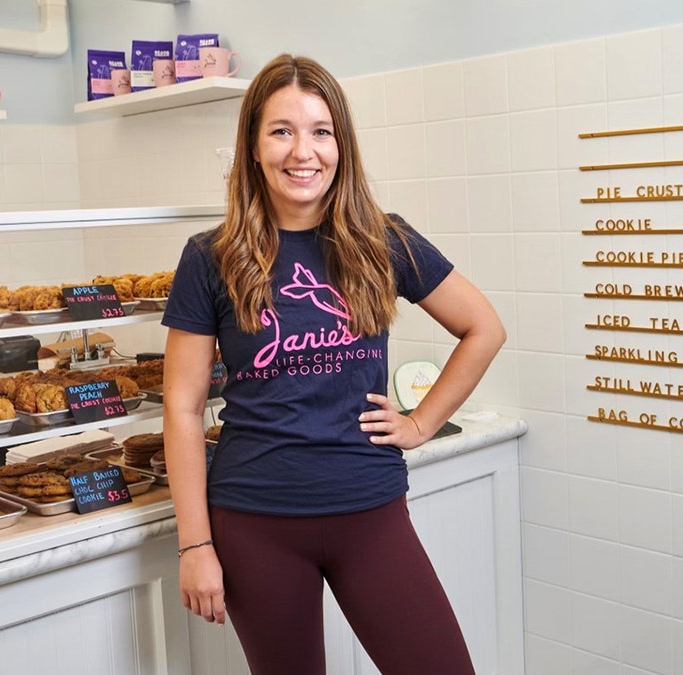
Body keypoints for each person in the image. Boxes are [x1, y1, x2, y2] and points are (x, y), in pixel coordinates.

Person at [161, 53, 505, 675]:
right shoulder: (210, 258)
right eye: (282, 131)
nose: (303, 151)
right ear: (255, 146)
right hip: (254, 519)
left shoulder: (383, 240)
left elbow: (484, 328)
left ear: (341, 145)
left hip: (369, 508)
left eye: (321, 131)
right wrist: (195, 544)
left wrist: (421, 423)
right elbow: (182, 409)